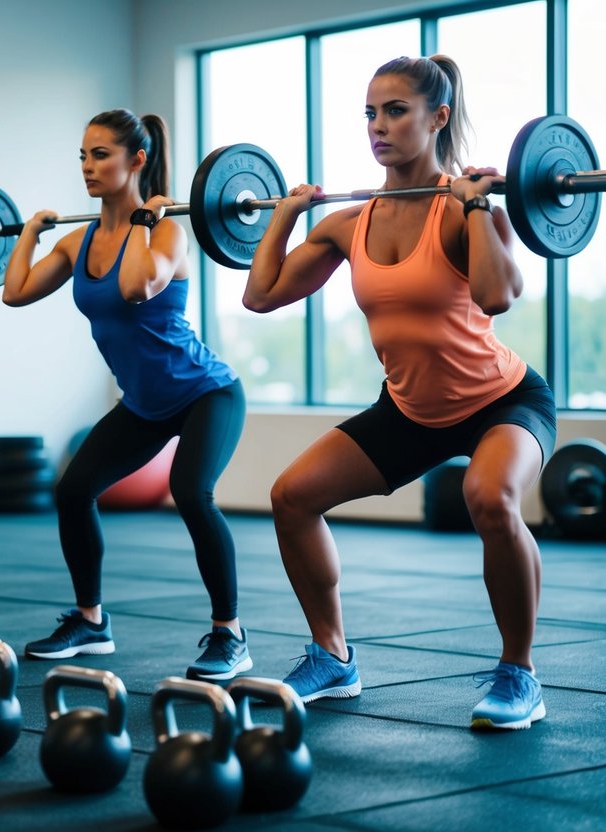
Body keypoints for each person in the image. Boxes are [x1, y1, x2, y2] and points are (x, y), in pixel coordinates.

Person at [243, 55, 556, 730]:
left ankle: (518, 673)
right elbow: (260, 294)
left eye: (394, 111)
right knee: (291, 496)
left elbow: (497, 296)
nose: (377, 127)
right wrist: (286, 214)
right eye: (369, 113)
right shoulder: (347, 223)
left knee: (488, 496)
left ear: (436, 118)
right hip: (411, 408)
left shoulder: (462, 205)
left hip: (502, 401)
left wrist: (473, 207)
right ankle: (332, 658)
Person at [3, 109, 250, 680]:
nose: (88, 167)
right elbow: (14, 293)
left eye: (101, 155)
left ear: (136, 160)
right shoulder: (77, 240)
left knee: (192, 494)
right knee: (73, 490)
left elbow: (137, 285)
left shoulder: (167, 230)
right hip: (143, 403)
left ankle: (229, 633)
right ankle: (90, 621)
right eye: (83, 156)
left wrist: (143, 220)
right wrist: (29, 235)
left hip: (206, 391)